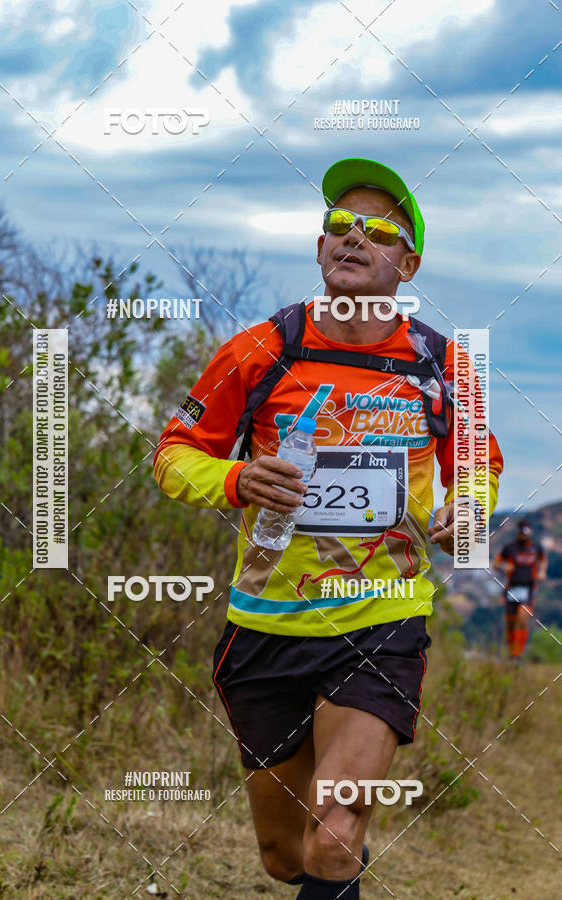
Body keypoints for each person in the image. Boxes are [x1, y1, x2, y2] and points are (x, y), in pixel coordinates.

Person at [153, 157, 504, 899]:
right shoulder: (259, 350)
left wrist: (466, 511)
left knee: (335, 837)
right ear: (319, 250)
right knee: (287, 856)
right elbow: (172, 454)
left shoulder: (442, 366)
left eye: (377, 230)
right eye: (338, 225)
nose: (353, 237)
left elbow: (478, 465)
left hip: (382, 617)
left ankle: (340, 863)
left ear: (407, 264)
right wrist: (235, 478)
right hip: (267, 623)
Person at [495, 519, 547, 662]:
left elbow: (543, 559)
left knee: (523, 618)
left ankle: (518, 654)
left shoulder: (537, 548)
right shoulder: (509, 548)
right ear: (517, 533)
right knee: (511, 622)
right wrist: (503, 567)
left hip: (529, 589)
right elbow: (496, 563)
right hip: (512, 588)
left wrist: (542, 571)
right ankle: (512, 651)